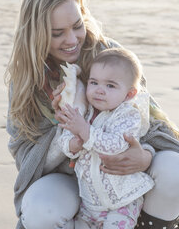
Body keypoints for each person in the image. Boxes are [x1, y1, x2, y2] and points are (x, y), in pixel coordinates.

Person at [4, 0, 179, 228]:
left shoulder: (111, 57)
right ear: (36, 33)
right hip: (68, 179)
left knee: (174, 168)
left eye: (77, 26)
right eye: (57, 33)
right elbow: (26, 160)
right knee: (42, 210)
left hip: (121, 175)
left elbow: (147, 122)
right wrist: (66, 126)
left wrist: (146, 156)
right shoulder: (26, 82)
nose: (72, 39)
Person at [57, 48, 154, 229]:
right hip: (88, 202)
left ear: (129, 94)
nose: (99, 90)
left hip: (122, 201)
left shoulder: (128, 115)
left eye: (110, 85)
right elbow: (64, 139)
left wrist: (85, 132)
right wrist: (74, 144)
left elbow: (115, 145)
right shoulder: (84, 112)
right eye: (94, 83)